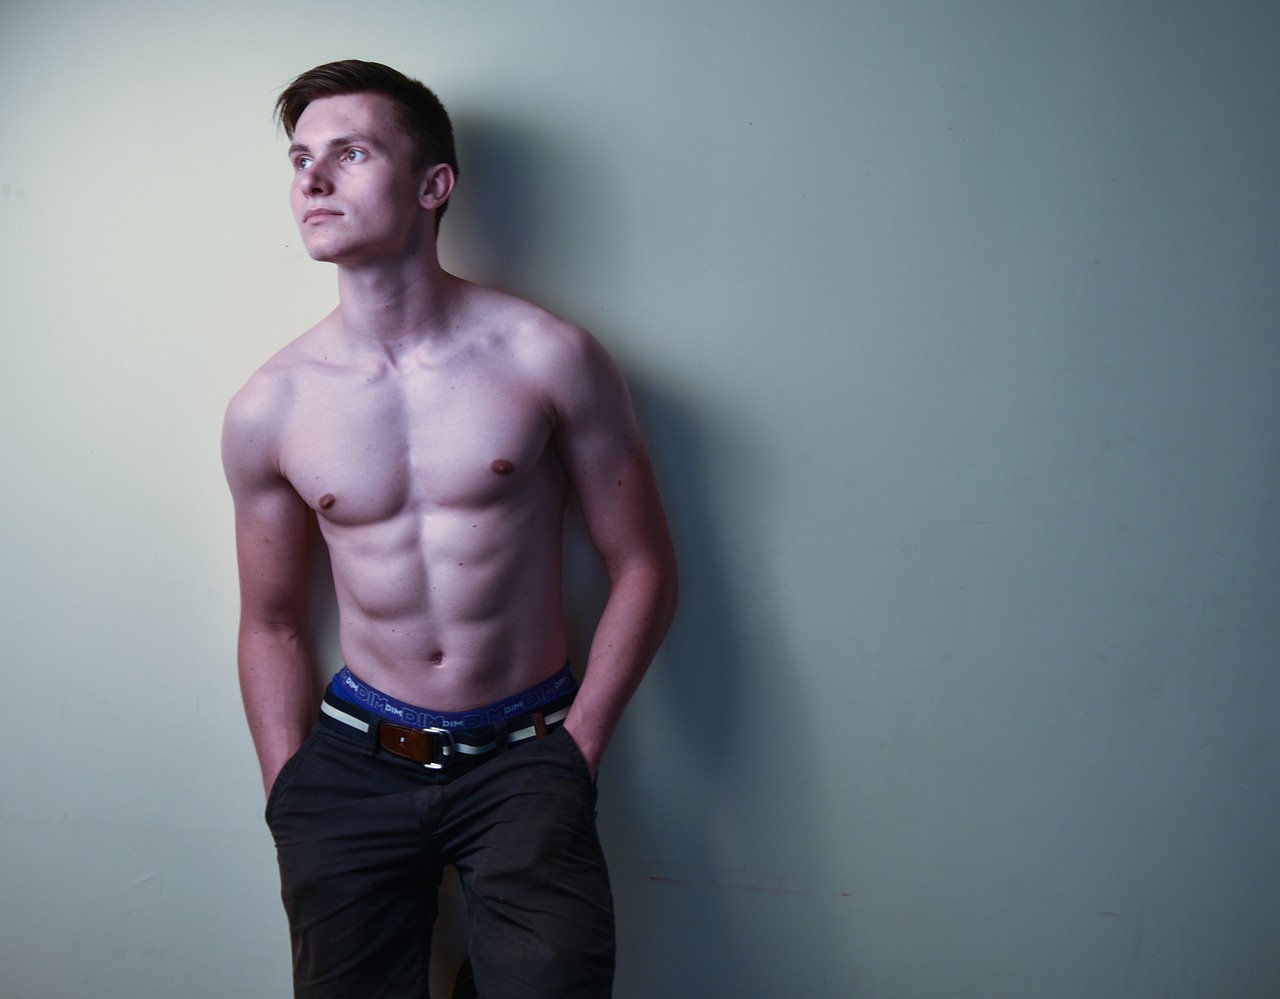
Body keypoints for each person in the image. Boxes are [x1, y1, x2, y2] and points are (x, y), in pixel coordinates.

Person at [221, 59, 678, 999]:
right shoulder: (270, 406)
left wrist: (577, 749)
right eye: (300, 159)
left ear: (433, 185)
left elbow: (642, 565)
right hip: (351, 764)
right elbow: (270, 620)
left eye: (350, 154)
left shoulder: (547, 356)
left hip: (525, 757)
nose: (312, 180)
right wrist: (289, 792)